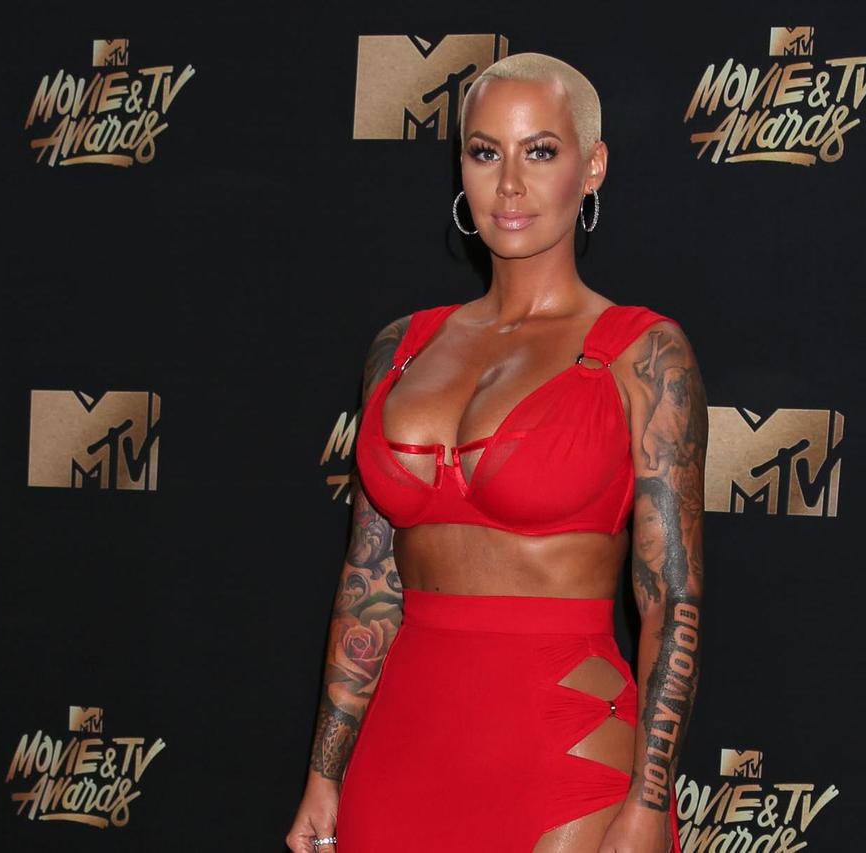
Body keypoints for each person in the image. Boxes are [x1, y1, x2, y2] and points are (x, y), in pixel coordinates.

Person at [286, 52, 706, 853]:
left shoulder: (643, 353)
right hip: (400, 752)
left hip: (565, 750)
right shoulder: (401, 348)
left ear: (593, 167)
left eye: (539, 151)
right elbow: (369, 582)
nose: (509, 183)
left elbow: (672, 601)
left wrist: (650, 801)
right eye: (485, 152)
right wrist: (324, 773)